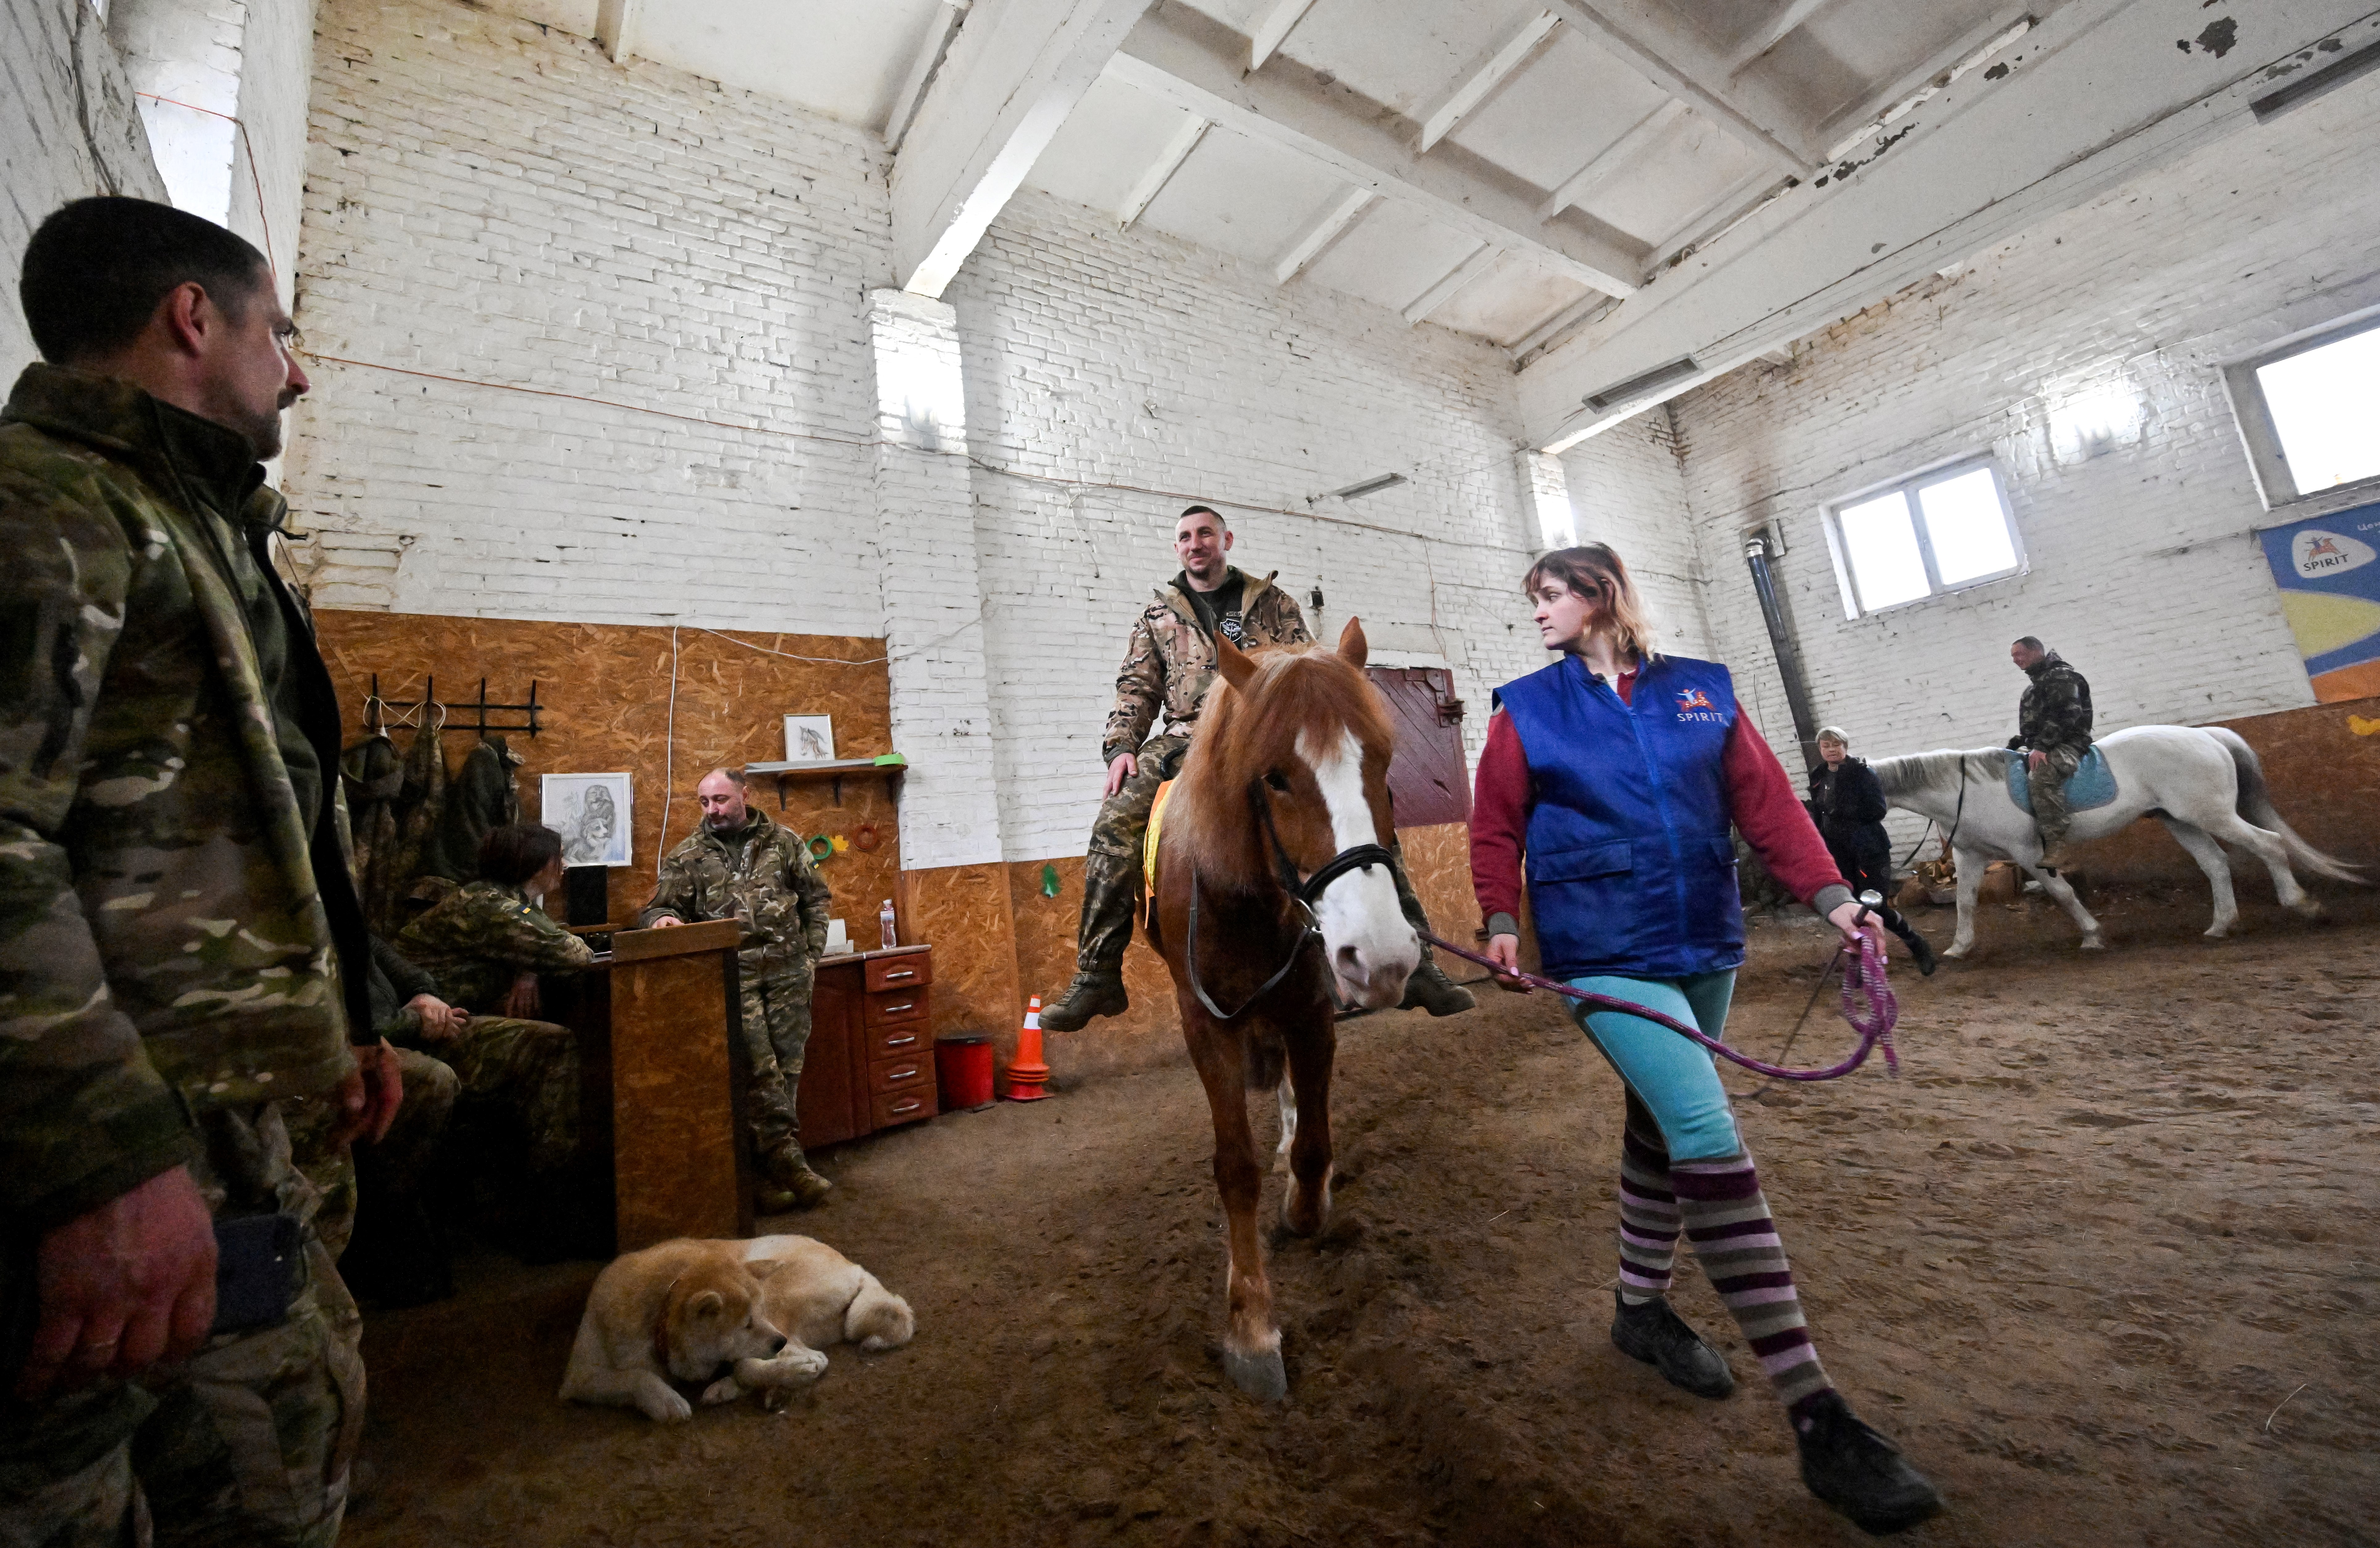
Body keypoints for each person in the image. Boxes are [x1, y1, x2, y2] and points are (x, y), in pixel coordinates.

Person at [1, 196, 401, 1546]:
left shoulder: (195, 527)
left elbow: (264, 809)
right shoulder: (45, 506)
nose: (296, 369)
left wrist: (349, 1015)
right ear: (192, 317)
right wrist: (102, 1163)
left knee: (280, 1448)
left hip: (229, 1136)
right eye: (278, 330)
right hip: (126, 1173)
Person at [1471, 545, 1942, 1536]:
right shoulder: (1524, 708)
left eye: (1550, 595)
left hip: (1702, 937)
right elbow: (1494, 826)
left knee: (1658, 1122)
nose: (1539, 613)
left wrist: (1834, 900)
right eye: (1536, 600)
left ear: (1600, 597)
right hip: (1600, 947)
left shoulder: (1703, 693)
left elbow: (1767, 809)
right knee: (1705, 1129)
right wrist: (1498, 918)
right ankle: (1818, 1413)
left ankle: (1637, 1306)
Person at [1041, 504, 1474, 1030]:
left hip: (1266, 737)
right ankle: (1098, 973)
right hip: (1182, 738)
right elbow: (1136, 688)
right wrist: (1121, 748)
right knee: (1115, 823)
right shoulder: (1158, 617)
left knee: (1355, 818)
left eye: (1205, 533)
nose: (1195, 543)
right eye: (1185, 537)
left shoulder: (1271, 604)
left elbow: (1307, 669)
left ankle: (1418, 961)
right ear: (1177, 548)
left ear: (1226, 540)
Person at [394, 823, 601, 1257]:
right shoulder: (492, 906)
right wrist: (531, 962)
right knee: (552, 1045)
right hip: (426, 1033)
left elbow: (535, 939)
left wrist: (525, 969)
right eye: (557, 860)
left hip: (450, 1020)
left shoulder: (499, 901)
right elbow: (572, 953)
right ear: (542, 865)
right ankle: (551, 1211)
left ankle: (536, 1200)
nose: (562, 868)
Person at [642, 769, 835, 1212]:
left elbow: (816, 898)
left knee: (787, 1070)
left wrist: (811, 955)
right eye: (705, 802)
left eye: (721, 799)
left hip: (789, 973)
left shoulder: (784, 841)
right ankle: (788, 1164)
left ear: (744, 796)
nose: (713, 809)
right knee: (757, 1071)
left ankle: (764, 1178)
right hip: (735, 976)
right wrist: (660, 921)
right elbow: (658, 907)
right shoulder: (687, 856)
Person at [1807, 727, 1936, 975]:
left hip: (1869, 849)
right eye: (1826, 746)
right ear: (1820, 750)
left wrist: (1843, 812)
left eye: (1836, 745)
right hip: (1838, 852)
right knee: (1851, 906)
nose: (1831, 750)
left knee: (1874, 906)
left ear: (1845, 746)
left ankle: (1916, 943)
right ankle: (1862, 960)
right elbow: (1819, 810)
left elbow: (1878, 810)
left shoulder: (1863, 774)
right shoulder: (1818, 775)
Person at [2006, 636, 2093, 872]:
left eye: (2019, 654)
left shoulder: (2061, 677)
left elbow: (2068, 715)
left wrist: (2042, 747)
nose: (2015, 660)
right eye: (2013, 656)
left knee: (2041, 778)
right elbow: (2034, 726)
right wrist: (2014, 744)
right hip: (2045, 743)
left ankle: (2057, 844)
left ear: (2036, 651)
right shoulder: (2036, 685)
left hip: (2068, 743)